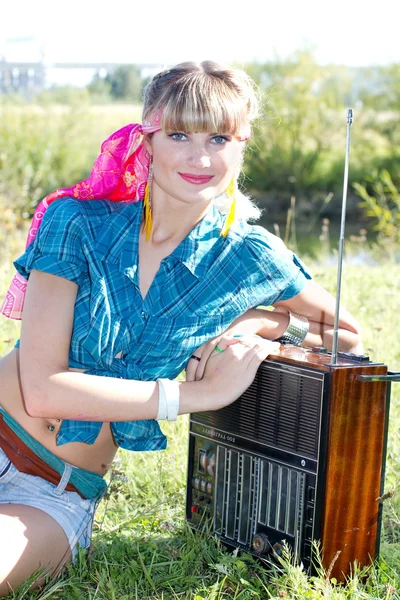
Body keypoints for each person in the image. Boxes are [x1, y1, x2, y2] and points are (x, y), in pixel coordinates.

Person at [0, 60, 361, 595]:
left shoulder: (248, 257)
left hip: (51, 490)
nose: (199, 157)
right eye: (178, 134)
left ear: (242, 146)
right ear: (147, 139)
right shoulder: (77, 223)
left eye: (218, 137)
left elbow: (347, 337)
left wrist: (256, 322)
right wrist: (200, 392)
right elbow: (46, 390)